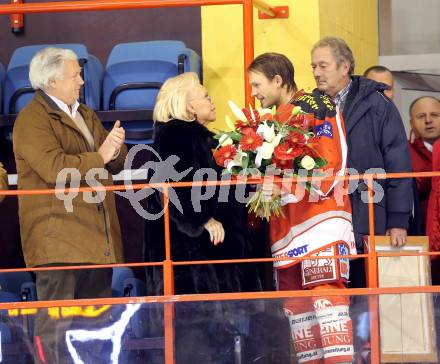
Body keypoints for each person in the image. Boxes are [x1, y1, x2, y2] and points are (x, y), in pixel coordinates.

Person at [13, 47, 127, 363]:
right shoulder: (31, 120)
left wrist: (116, 151)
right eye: (74, 74)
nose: (81, 80)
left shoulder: (86, 113)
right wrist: (103, 155)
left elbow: (115, 161)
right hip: (57, 244)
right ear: (51, 80)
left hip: (96, 239)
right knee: (56, 329)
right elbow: (55, 169)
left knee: (96, 327)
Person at [144, 72, 262, 363]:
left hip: (209, 258)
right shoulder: (175, 134)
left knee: (211, 342)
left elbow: (216, 187)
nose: (212, 100)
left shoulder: (202, 137)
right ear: (188, 106)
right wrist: (201, 221)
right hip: (190, 261)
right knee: (193, 342)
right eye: (206, 96)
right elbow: (173, 187)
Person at [248, 53, 356, 364]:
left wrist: (280, 187)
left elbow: (332, 164)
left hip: (320, 221)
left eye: (257, 84)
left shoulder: (315, 106)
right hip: (284, 230)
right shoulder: (265, 121)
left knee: (327, 301)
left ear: (277, 80)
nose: (254, 93)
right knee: (297, 308)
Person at [311, 36, 412, 254]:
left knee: (366, 284)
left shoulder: (378, 104)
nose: (316, 73)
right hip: (323, 220)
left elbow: (398, 163)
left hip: (369, 216)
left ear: (344, 66)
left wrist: (398, 220)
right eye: (313, 66)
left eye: (323, 66)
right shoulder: (309, 107)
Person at [408, 96, 440, 226]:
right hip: (419, 232)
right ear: (411, 124)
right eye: (421, 116)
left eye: (434, 115)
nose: (428, 120)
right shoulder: (403, 153)